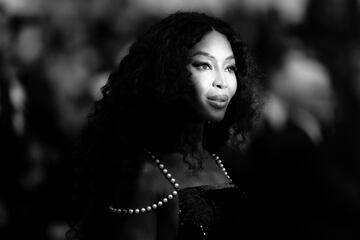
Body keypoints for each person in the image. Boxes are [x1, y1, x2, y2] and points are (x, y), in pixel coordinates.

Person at [67, 11, 261, 240]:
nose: (222, 82)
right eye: (204, 65)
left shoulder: (221, 159)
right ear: (170, 73)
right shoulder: (146, 176)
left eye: (230, 68)